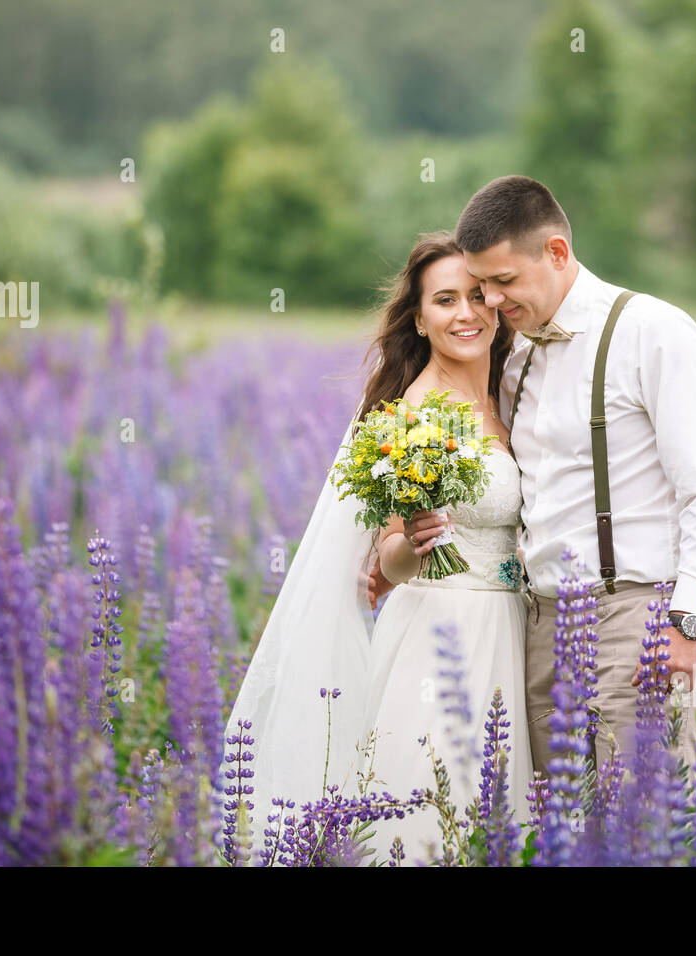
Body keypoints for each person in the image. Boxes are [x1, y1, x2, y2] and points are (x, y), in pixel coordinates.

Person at [372, 175, 696, 786]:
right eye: (479, 285)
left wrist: (688, 621)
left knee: (635, 818)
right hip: (536, 626)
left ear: (555, 253)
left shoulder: (652, 332)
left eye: (501, 282)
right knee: (554, 824)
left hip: (635, 614)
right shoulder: (516, 356)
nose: (490, 303)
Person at [225, 231, 533, 865]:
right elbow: (386, 554)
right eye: (445, 300)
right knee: (425, 823)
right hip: (443, 632)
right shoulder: (412, 415)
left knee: (500, 825)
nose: (466, 313)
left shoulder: (514, 393)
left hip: (517, 627)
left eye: (478, 296)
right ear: (419, 319)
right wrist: (414, 548)